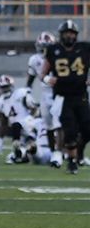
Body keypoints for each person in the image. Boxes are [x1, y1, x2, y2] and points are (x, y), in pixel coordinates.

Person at [41, 20, 90, 174]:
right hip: (63, 98)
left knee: (88, 130)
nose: (69, 35)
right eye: (67, 33)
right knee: (70, 131)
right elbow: (42, 73)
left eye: (72, 33)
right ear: (61, 35)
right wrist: (47, 79)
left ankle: (79, 153)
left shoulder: (85, 48)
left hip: (81, 95)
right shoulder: (53, 50)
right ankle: (72, 161)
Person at [27, 31, 60, 163]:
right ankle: (54, 153)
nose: (44, 49)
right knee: (49, 125)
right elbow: (30, 79)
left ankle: (68, 153)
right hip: (45, 95)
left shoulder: (59, 56)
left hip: (60, 93)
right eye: (42, 46)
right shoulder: (34, 60)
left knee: (63, 125)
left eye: (46, 46)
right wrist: (27, 92)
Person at [0, 75, 38, 164]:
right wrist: (0, 140)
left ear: (11, 86)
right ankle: (23, 153)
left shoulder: (21, 93)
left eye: (6, 87)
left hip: (29, 125)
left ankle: (24, 151)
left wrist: (30, 120)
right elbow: (3, 122)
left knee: (36, 150)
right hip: (17, 131)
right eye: (3, 87)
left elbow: (34, 109)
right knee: (14, 154)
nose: (5, 89)